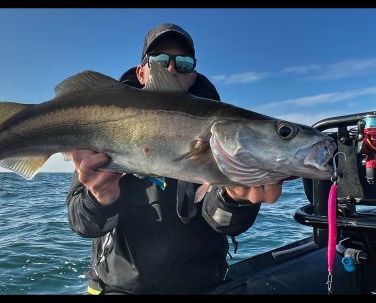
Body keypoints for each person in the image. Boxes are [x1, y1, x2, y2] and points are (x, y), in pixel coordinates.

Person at [66, 23, 283, 295]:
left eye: (183, 62)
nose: (170, 69)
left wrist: (235, 197)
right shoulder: (99, 126)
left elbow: (224, 223)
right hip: (119, 288)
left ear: (193, 74)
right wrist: (99, 196)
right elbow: (83, 225)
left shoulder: (223, 135)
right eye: (158, 61)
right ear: (141, 72)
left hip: (205, 286)